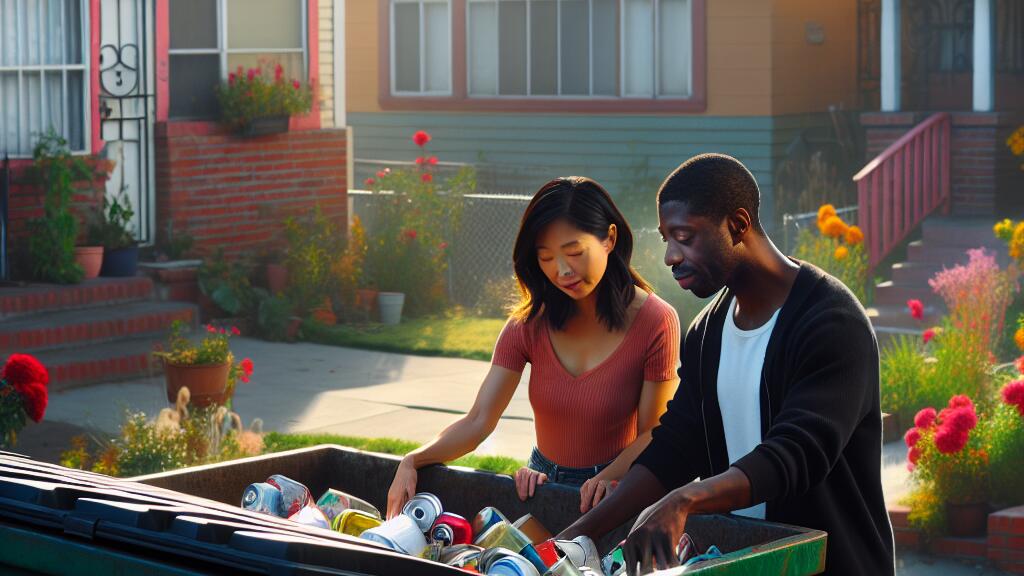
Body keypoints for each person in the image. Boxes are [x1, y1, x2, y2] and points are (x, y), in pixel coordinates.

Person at [557, 154, 895, 576]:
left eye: (684, 236)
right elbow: (677, 446)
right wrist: (572, 539)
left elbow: (795, 454)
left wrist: (685, 500)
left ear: (737, 225)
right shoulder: (707, 332)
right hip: (745, 565)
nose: (669, 256)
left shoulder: (830, 322)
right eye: (665, 238)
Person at [386, 176, 681, 518]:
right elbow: (479, 419)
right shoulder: (528, 324)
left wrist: (608, 477)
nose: (562, 270)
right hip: (538, 486)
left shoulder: (656, 320)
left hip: (614, 491)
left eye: (574, 252)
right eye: (546, 258)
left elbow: (652, 433)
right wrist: (413, 459)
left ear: (609, 239)